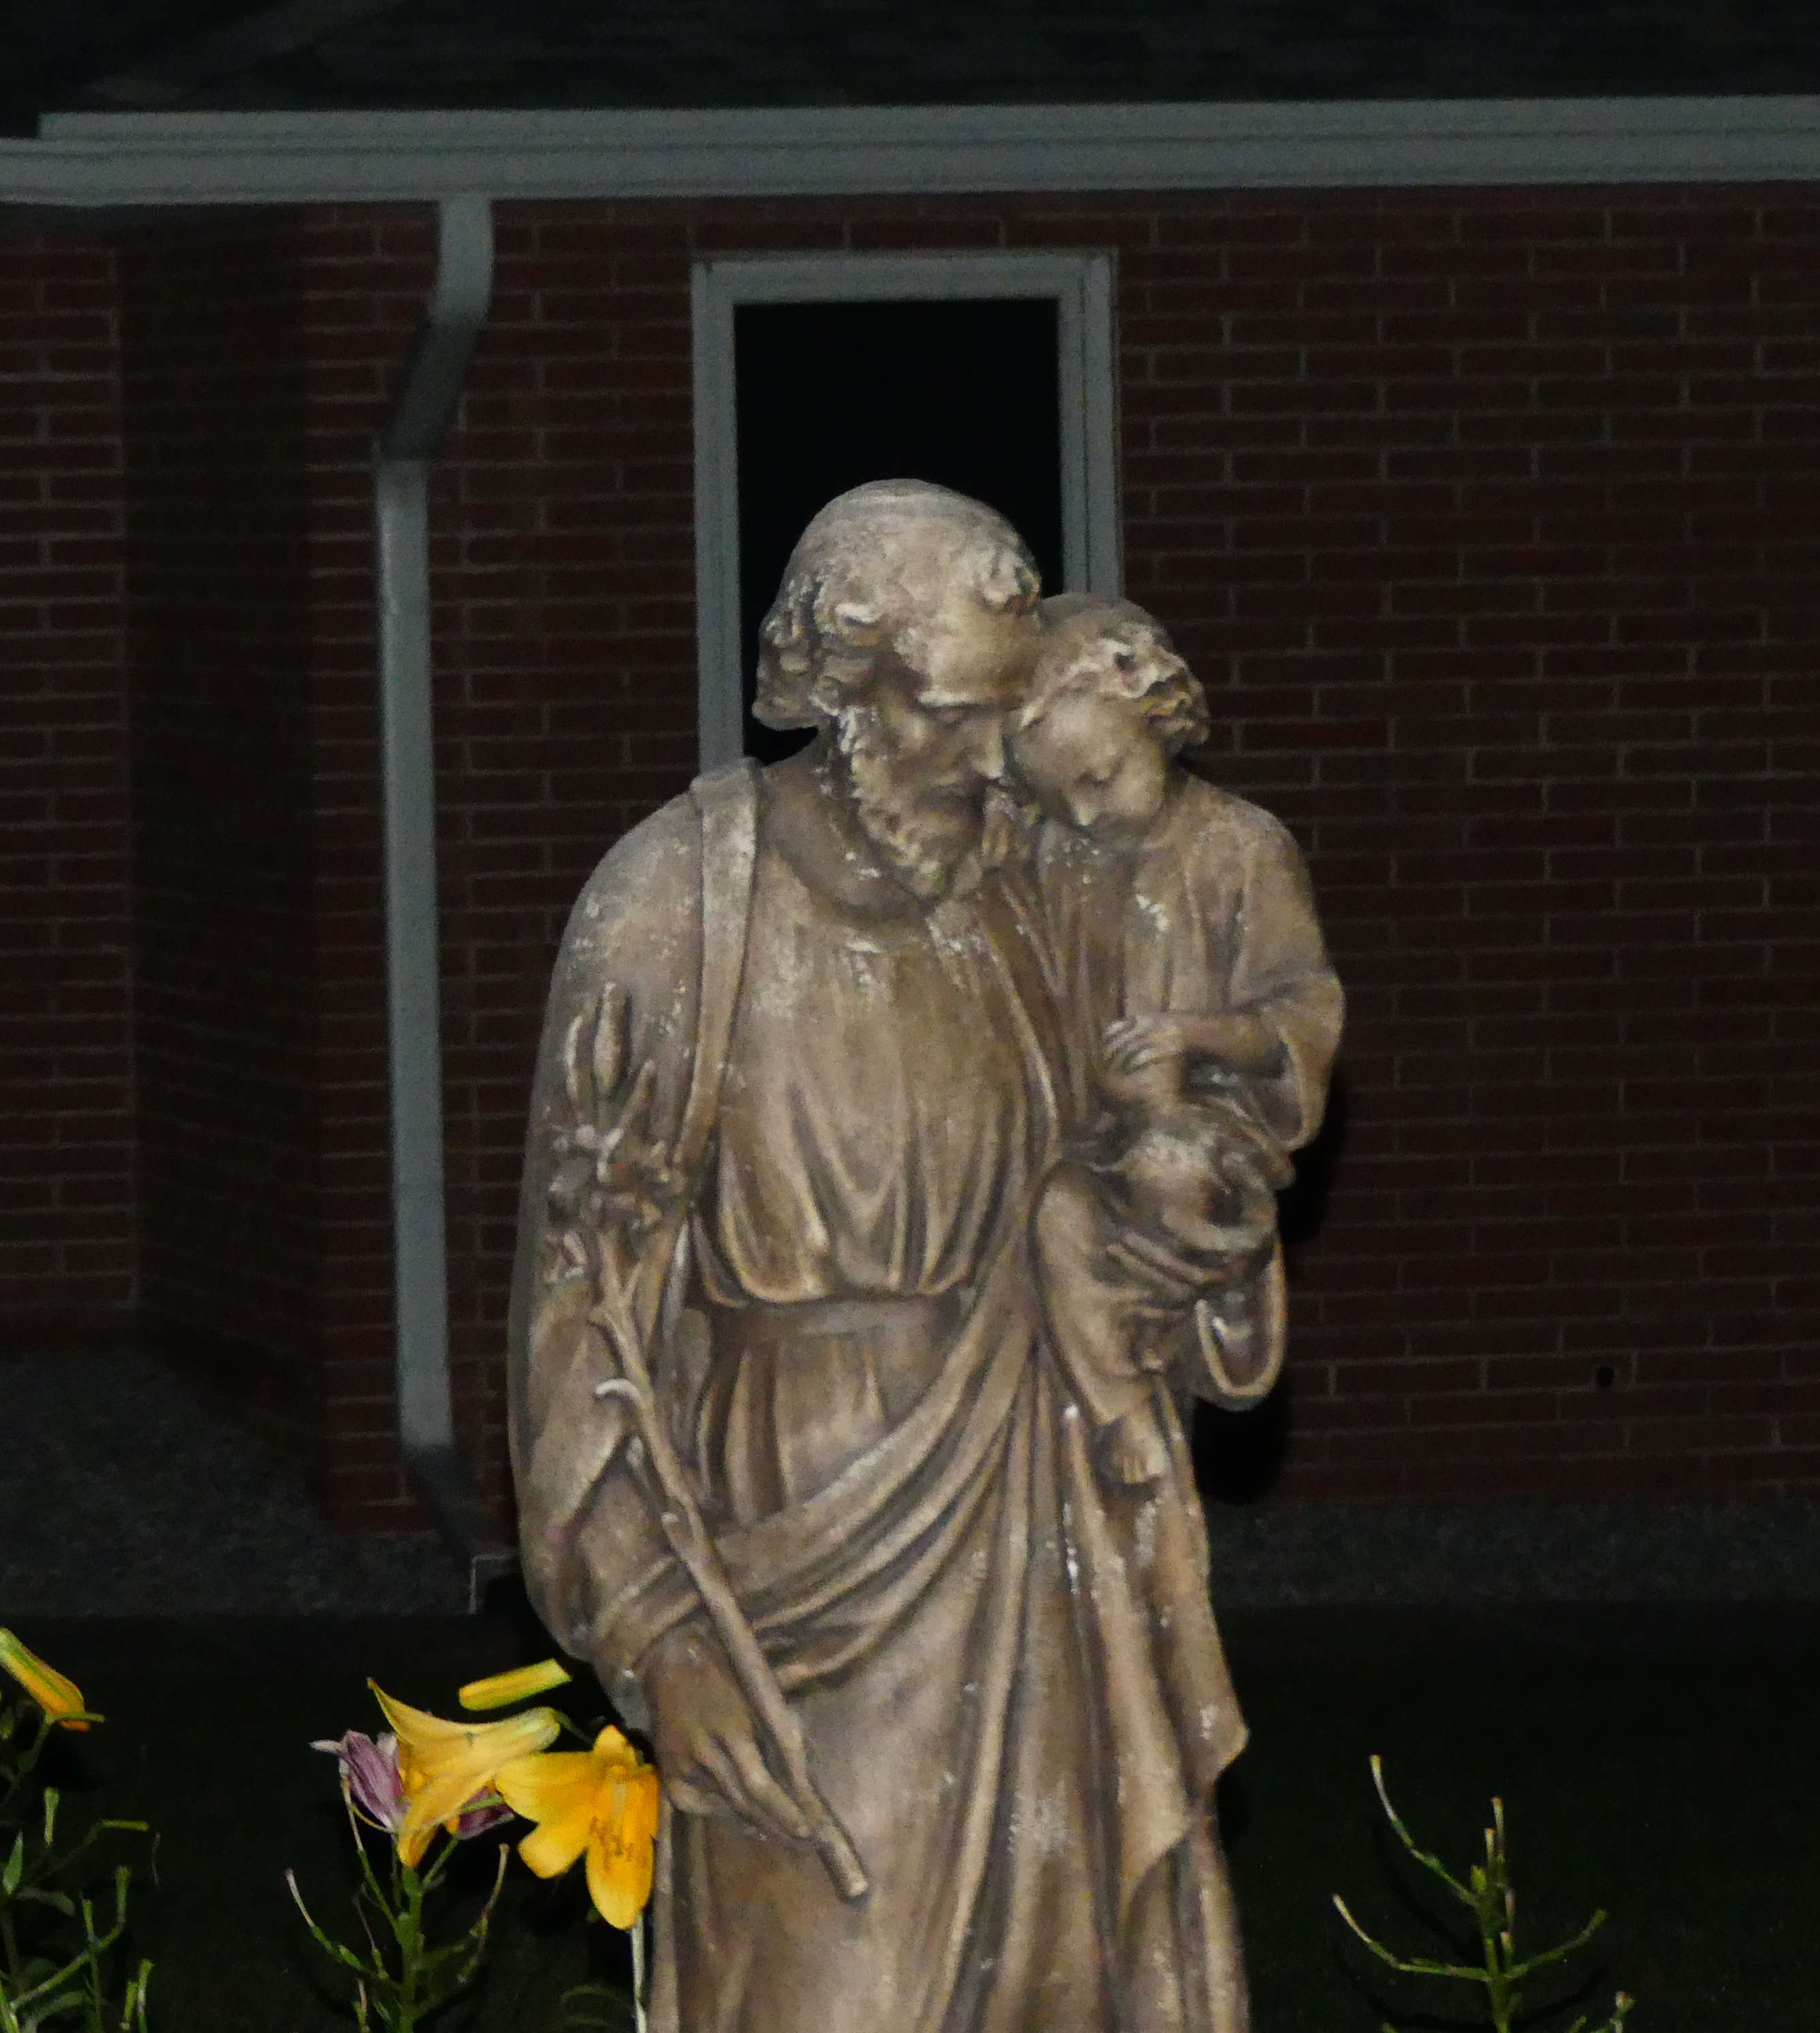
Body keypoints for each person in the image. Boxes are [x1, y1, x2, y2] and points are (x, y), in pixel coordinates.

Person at [508, 485, 1294, 2032]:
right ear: (860, 667)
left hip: (1049, 1541)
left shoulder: (1054, 888)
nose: (1005, 735)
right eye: (991, 609)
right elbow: (576, 1310)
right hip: (801, 1559)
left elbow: (1165, 1205)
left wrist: (1196, 1214)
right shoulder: (684, 902)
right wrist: (656, 1633)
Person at [1008, 592, 1346, 1494]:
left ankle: (1200, 1324)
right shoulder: (1047, 862)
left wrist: (1197, 1040)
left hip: (1200, 1133)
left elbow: (1300, 1010)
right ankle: (1116, 1422)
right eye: (1061, 800)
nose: (1085, 818)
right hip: (1076, 1143)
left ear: (1147, 709)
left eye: (1100, 780)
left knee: (1162, 1173)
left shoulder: (1240, 848)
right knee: (1051, 1213)